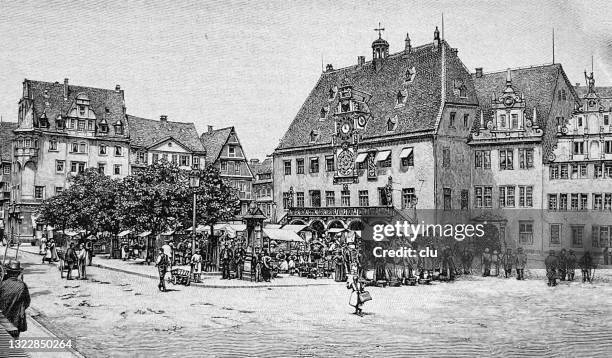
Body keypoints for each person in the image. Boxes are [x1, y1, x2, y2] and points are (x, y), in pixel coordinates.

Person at [0, 260, 31, 338]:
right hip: (15, 323)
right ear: (18, 273)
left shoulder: (2, 284)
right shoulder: (22, 286)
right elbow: (27, 303)